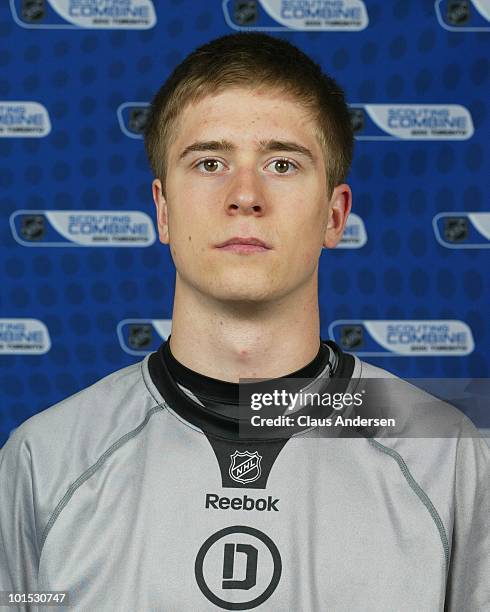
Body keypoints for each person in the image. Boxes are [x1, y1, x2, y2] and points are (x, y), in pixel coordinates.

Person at [1, 33, 489, 611]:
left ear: (335, 216)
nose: (245, 196)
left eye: (282, 163)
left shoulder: (447, 454)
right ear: (162, 208)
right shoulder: (46, 459)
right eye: (210, 162)